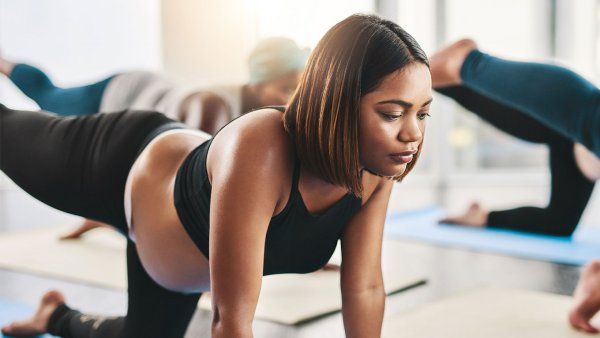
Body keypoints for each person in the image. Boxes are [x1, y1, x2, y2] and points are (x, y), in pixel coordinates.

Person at [0, 14, 433, 338]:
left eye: (423, 113)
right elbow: (231, 319)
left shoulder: (374, 171)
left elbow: (364, 288)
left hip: (169, 258)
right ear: (336, 102)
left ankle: (52, 315)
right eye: (392, 113)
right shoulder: (262, 145)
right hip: (117, 162)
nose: (412, 134)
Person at [0, 37, 309, 240]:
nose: (291, 97)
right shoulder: (211, 106)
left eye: (297, 87)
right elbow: (192, 197)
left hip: (155, 98)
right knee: (49, 96)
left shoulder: (266, 115)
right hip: (122, 93)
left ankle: (96, 219)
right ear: (258, 82)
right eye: (284, 87)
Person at [429, 38, 600, 334]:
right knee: (592, 117)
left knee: (558, 222)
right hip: (586, 134)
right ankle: (468, 63)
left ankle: (481, 217)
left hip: (584, 146)